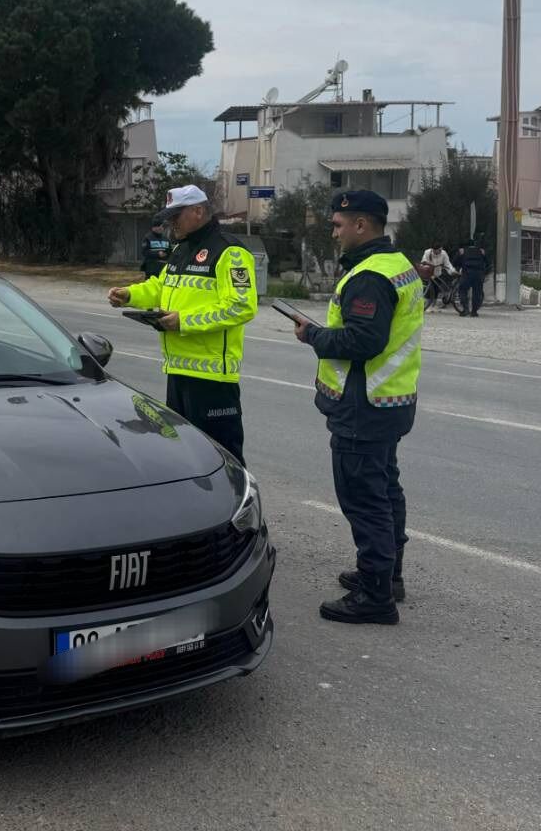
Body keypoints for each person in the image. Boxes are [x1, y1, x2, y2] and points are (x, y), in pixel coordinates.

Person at [289, 190, 423, 626]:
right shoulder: (397, 264)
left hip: (363, 406)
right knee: (385, 491)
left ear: (361, 225)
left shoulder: (369, 276)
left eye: (338, 224)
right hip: (389, 401)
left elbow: (363, 341)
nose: (334, 231)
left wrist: (312, 335)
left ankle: (375, 597)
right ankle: (387, 577)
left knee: (365, 500)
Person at [105, 185, 258, 465]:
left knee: (222, 459)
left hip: (212, 377)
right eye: (169, 217)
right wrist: (129, 294)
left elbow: (241, 306)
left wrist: (184, 321)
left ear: (198, 211)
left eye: (176, 216)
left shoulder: (230, 252)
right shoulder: (181, 249)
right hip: (178, 370)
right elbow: (160, 287)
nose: (170, 223)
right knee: (186, 455)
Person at [420, 242, 457, 309]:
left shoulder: (443, 253)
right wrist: (426, 267)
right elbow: (423, 261)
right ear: (433, 249)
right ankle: (428, 305)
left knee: (436, 289)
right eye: (438, 250)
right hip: (429, 273)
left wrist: (452, 271)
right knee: (429, 290)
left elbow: (447, 264)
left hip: (437, 273)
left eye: (440, 250)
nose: (439, 251)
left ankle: (433, 305)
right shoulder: (427, 252)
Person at [457, 238, 488, 317]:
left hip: (467, 274)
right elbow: (487, 262)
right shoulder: (481, 251)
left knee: (462, 291)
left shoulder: (463, 251)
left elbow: (456, 262)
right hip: (478, 275)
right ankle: (474, 311)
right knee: (477, 293)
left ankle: (466, 309)